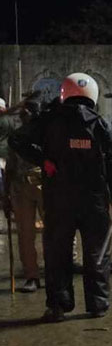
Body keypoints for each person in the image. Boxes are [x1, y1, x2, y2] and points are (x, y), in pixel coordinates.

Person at [9, 73, 112, 322]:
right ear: (92, 94)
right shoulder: (102, 124)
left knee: (57, 253)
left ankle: (58, 306)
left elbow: (17, 139)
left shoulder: (49, 120)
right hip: (93, 199)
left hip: (58, 197)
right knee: (97, 253)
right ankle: (98, 305)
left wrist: (44, 160)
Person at [5, 100, 43, 292]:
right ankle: (32, 276)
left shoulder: (46, 133)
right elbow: (10, 167)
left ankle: (58, 272)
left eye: (26, 113)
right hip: (20, 187)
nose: (22, 117)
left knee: (55, 231)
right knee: (25, 234)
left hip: (44, 185)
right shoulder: (17, 137)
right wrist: (5, 196)